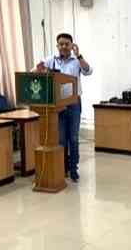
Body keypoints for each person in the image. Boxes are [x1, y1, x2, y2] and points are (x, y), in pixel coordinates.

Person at [35, 33, 93, 182]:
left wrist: (79, 55)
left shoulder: (76, 61)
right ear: (57, 46)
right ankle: (63, 168)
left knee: (73, 138)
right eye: (61, 44)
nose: (64, 47)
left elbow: (88, 71)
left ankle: (73, 169)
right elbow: (35, 70)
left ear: (72, 45)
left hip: (74, 104)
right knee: (61, 139)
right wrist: (40, 69)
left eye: (67, 44)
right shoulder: (51, 60)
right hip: (58, 106)